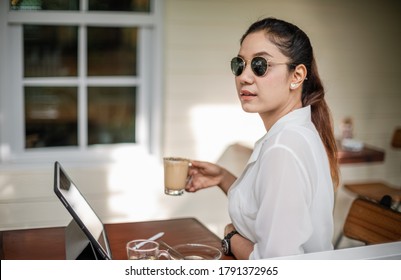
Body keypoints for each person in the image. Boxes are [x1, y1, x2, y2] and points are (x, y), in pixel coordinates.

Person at [185, 17, 339, 259]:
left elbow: (274, 265)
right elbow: (269, 207)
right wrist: (224, 178)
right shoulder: (294, 133)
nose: (244, 77)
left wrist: (230, 238)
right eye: (240, 64)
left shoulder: (284, 148)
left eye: (260, 65)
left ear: (297, 75)